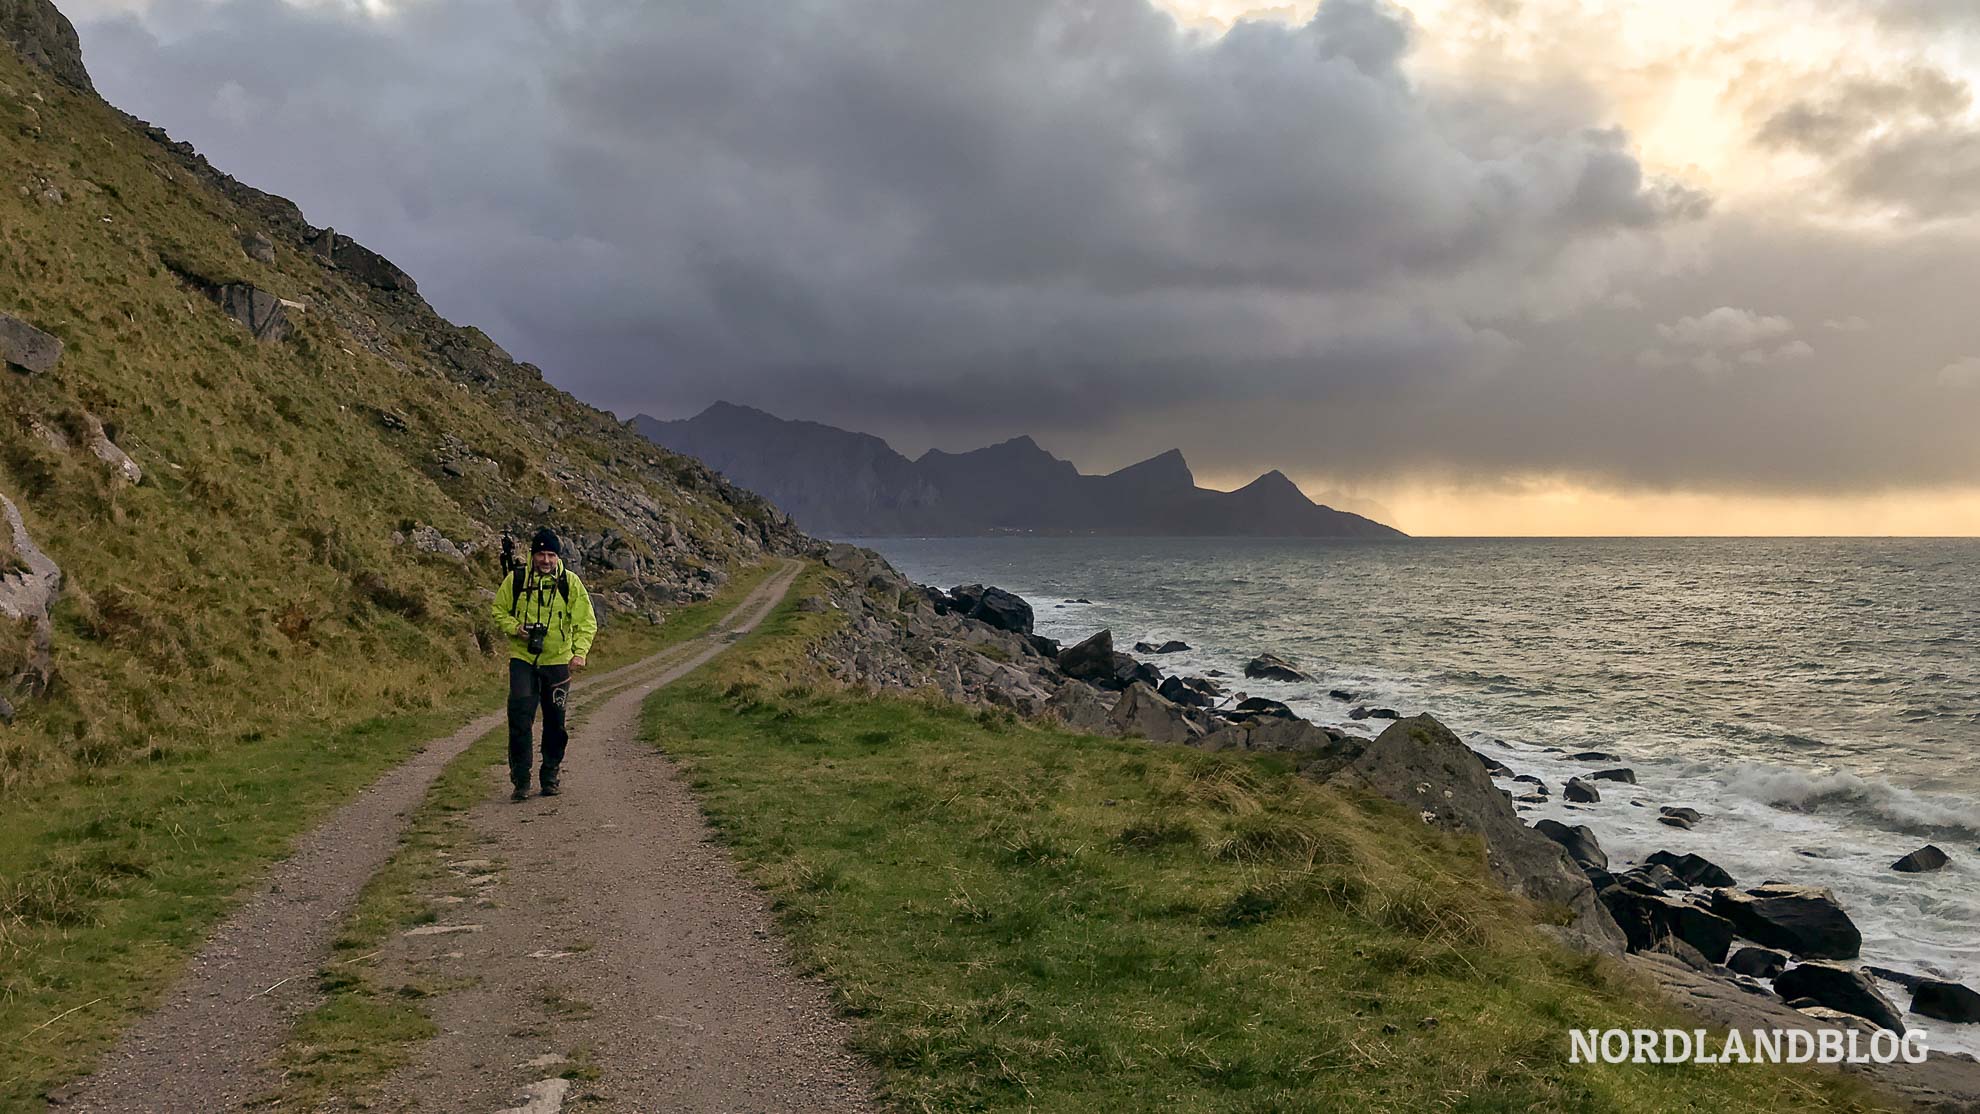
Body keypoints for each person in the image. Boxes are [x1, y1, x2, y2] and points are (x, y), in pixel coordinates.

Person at [492, 527, 597, 800]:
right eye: (541, 554)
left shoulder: (569, 583)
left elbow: (586, 621)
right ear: (532, 555)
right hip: (523, 659)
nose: (546, 560)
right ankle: (521, 780)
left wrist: (579, 652)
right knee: (519, 719)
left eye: (551, 555)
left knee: (555, 723)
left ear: (558, 557)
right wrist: (516, 628)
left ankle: (550, 775)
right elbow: (498, 611)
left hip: (558, 661)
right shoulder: (516, 579)